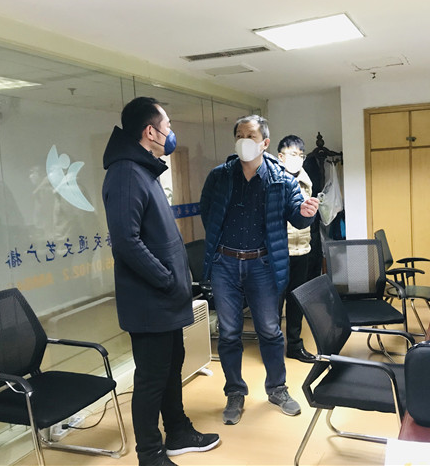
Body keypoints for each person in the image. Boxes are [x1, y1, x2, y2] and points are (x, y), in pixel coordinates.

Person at [102, 97, 220, 466]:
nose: (171, 132)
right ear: (150, 132)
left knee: (171, 369)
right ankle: (150, 454)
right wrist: (167, 279)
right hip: (149, 301)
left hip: (164, 299)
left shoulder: (144, 170)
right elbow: (126, 242)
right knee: (152, 378)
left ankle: (178, 431)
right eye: (167, 125)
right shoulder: (125, 173)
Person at [200, 115, 319, 426]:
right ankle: (234, 392)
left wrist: (307, 213)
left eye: (250, 136)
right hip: (225, 264)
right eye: (239, 135)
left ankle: (277, 389)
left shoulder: (281, 180)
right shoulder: (220, 176)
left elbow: (297, 216)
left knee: (269, 329)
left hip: (262, 265)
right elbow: (207, 212)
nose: (244, 141)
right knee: (229, 332)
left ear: (265, 142)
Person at [277, 135, 316, 363]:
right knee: (275, 303)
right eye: (293, 154)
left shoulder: (306, 180)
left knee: (296, 301)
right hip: (278, 252)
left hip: (302, 250)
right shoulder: (273, 180)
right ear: (280, 156)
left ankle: (294, 345)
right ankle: (272, 348)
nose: (298, 159)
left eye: (301, 155)